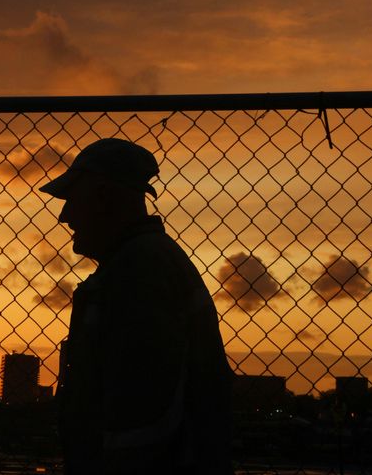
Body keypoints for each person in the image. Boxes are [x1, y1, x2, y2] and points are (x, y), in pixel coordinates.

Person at [40, 137, 233, 474]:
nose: (65, 215)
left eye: (73, 199)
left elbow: (142, 414)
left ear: (104, 196)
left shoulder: (139, 271)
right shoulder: (140, 263)